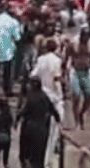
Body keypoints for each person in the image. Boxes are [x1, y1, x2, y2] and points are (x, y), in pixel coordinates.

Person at [17, 77, 61, 168]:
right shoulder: (44, 97)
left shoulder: (30, 97)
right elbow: (54, 111)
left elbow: (23, 112)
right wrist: (58, 122)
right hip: (42, 130)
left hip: (29, 128)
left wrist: (16, 120)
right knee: (39, 156)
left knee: (26, 155)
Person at [34, 38, 63, 166]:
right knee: (54, 130)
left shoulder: (40, 60)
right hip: (53, 97)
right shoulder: (57, 61)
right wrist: (61, 95)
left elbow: (33, 75)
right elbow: (57, 79)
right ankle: (49, 160)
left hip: (42, 95)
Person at [67, 27, 90, 130]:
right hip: (75, 70)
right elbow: (67, 55)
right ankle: (77, 123)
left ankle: (81, 113)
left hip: (86, 71)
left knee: (89, 97)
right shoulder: (73, 43)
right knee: (76, 96)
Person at [0, 98, 13, 168]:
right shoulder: (9, 116)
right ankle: (5, 165)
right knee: (5, 158)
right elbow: (10, 126)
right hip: (7, 137)